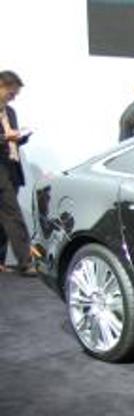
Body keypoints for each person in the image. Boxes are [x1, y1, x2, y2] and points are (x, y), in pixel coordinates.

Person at [0, 70, 35, 276]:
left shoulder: (10, 112)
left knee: (4, 217)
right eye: (11, 93)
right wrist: (5, 137)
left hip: (12, 167)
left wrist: (22, 136)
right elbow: (5, 138)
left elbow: (12, 140)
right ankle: (26, 262)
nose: (13, 98)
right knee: (13, 214)